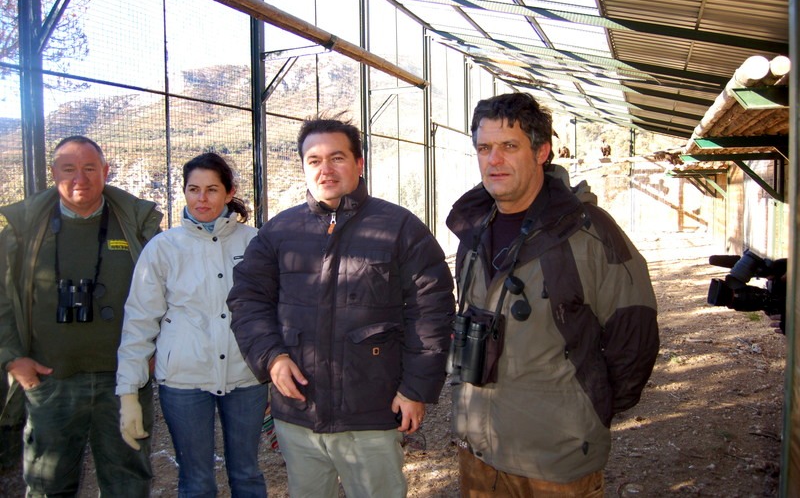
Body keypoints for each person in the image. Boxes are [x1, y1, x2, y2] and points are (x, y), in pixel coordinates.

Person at [227, 116, 455, 498]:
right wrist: (272, 357)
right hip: (300, 410)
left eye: (337, 157)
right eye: (314, 160)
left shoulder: (399, 228)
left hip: (371, 409)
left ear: (359, 163)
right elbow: (247, 299)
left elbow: (431, 310)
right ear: (303, 167)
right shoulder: (280, 232)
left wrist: (416, 389)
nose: (325, 169)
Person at [446, 93, 659, 497]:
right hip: (478, 453)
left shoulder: (588, 233)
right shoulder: (472, 231)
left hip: (556, 462)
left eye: (510, 147)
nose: (494, 160)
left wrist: (588, 413)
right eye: (484, 148)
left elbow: (635, 337)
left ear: (541, 151)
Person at [0, 135, 161, 496]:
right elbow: (1, 301)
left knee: (128, 482)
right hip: (49, 379)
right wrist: (12, 359)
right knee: (47, 484)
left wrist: (155, 350)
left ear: (105, 171)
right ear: (53, 172)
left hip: (124, 381)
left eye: (90, 168)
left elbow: (167, 294)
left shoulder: (138, 225)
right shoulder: (22, 232)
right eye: (69, 169)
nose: (80, 178)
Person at [116, 152, 268, 497]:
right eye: (193, 189)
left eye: (212, 190)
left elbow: (272, 311)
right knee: (196, 480)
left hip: (246, 377)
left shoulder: (256, 242)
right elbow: (139, 322)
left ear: (229, 193)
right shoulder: (163, 249)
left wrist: (273, 369)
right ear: (183, 192)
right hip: (184, 381)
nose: (202, 199)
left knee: (246, 473)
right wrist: (128, 392)